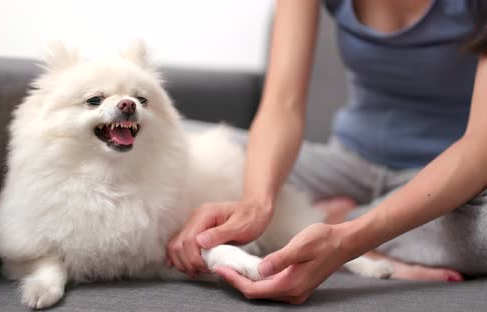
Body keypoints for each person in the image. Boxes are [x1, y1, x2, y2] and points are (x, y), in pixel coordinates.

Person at [166, 0, 487, 304]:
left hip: (451, 179)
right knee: (187, 145)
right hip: (346, 163)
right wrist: (256, 203)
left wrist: (348, 240)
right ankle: (341, 223)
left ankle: (340, 221)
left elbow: (479, 146)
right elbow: (282, 105)